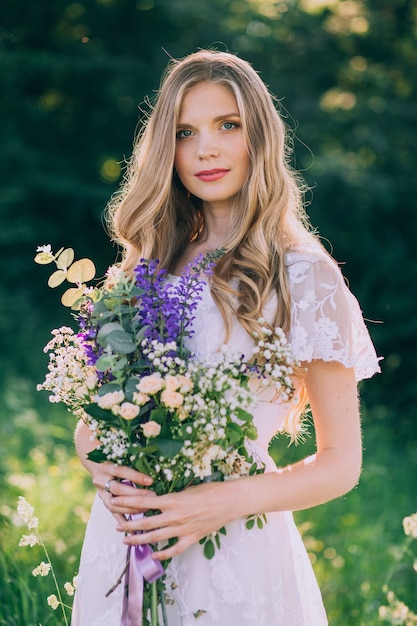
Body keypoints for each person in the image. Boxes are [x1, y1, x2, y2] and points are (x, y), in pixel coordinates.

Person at [71, 50, 380, 626]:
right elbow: (91, 428)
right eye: (185, 132)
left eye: (227, 126)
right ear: (167, 148)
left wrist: (214, 503)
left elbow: (342, 464)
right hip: (125, 545)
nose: (205, 149)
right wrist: (105, 467)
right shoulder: (145, 269)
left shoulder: (302, 276)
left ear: (258, 138)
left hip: (235, 548)